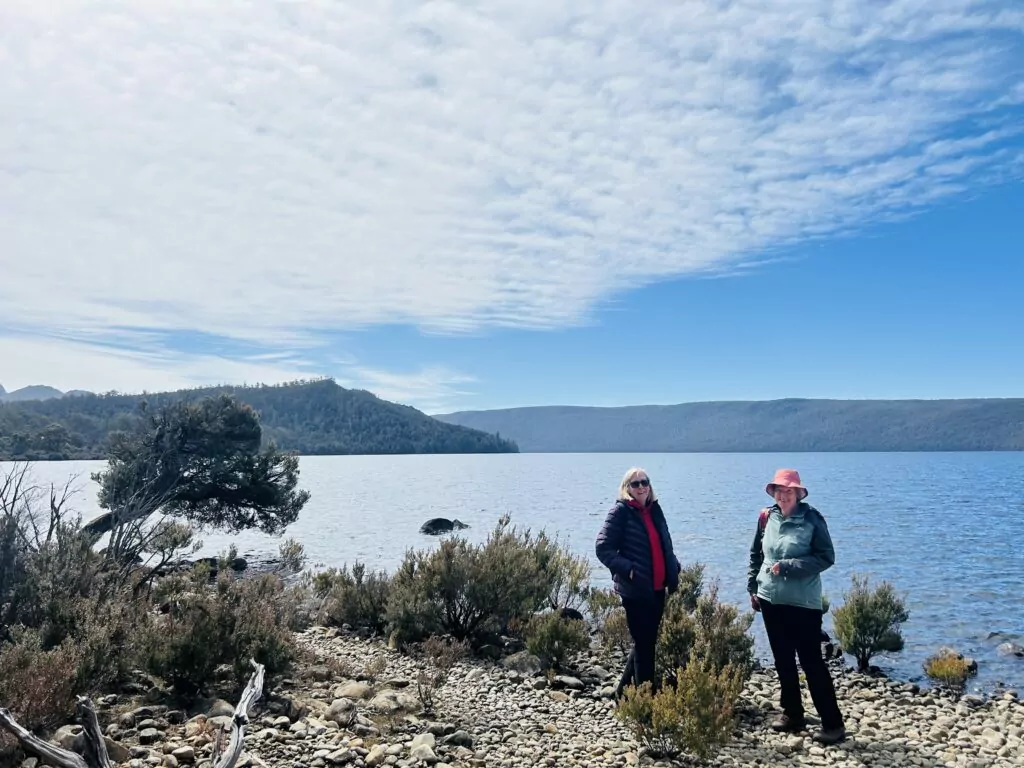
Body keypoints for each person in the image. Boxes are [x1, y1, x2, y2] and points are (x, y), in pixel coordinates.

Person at [747, 469, 846, 745]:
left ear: (799, 493)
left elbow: (826, 557)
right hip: (770, 600)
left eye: (788, 490)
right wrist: (753, 587)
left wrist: (791, 566)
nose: (783, 494)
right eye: (779, 489)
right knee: (782, 660)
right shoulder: (767, 517)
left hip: (803, 603)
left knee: (811, 662)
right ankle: (793, 714)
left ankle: (833, 724)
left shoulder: (812, 519)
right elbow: (756, 554)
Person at [596, 467, 681, 698]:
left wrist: (673, 566)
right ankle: (645, 703)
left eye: (645, 482)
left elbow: (663, 542)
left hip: (657, 589)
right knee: (645, 646)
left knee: (646, 642)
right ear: (627, 489)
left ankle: (623, 695)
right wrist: (629, 571)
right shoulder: (620, 512)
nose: (641, 487)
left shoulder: (655, 510)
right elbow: (603, 548)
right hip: (636, 591)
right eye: (635, 484)